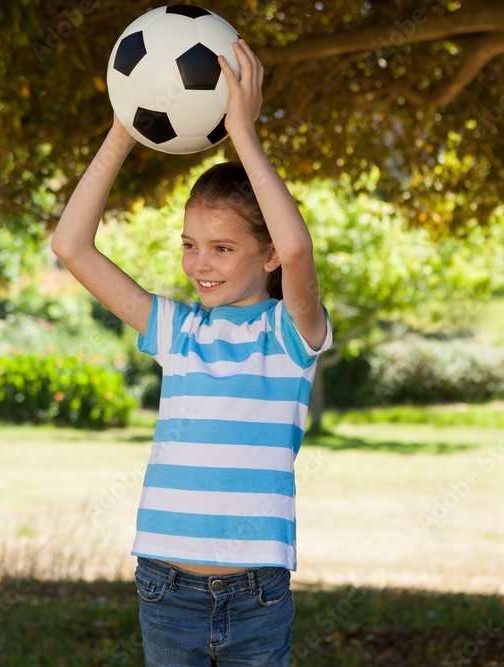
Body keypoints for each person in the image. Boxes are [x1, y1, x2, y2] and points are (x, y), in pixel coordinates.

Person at [51, 39, 331, 667]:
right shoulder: (177, 331)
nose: (199, 264)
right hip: (164, 588)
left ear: (266, 256)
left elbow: (300, 249)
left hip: (258, 595)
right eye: (190, 244)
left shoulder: (290, 336)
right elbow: (71, 245)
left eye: (222, 248)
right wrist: (125, 128)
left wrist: (243, 133)